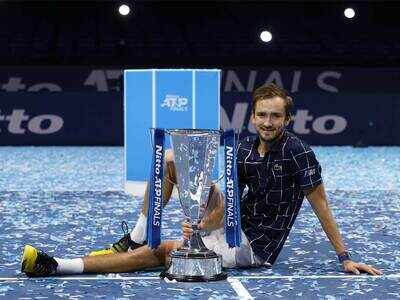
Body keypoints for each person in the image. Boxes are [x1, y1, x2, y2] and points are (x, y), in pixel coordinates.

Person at [21, 83, 382, 277]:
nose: (268, 123)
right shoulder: (242, 148)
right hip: (231, 226)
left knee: (162, 253)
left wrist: (344, 257)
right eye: (262, 116)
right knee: (172, 160)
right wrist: (201, 224)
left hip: (253, 246)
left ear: (287, 119)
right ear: (252, 117)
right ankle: (136, 235)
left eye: (276, 117)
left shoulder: (298, 153)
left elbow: (321, 206)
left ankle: (59, 266)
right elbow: (226, 205)